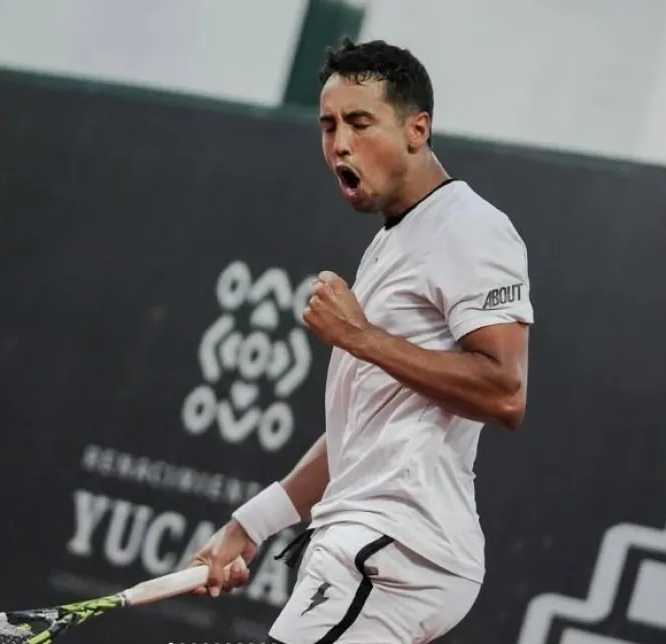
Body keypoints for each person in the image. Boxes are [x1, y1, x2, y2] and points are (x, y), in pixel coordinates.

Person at [187, 37, 534, 643]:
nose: (339, 143)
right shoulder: (394, 241)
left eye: (359, 121)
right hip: (371, 536)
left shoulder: (472, 229)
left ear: (416, 129)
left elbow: (505, 393)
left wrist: (358, 336)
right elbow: (361, 433)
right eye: (327, 125)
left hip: (396, 545)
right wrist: (250, 524)